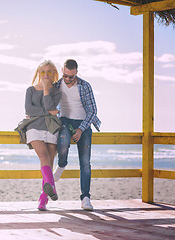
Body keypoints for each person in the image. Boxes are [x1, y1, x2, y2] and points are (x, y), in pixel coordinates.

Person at [53, 59, 101, 211]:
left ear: (77, 73)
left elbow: (93, 111)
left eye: (71, 77)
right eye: (65, 75)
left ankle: (85, 198)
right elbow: (49, 104)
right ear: (62, 71)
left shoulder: (85, 86)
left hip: (83, 123)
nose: (68, 79)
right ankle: (61, 166)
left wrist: (80, 129)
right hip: (65, 120)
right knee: (63, 140)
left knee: (85, 162)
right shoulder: (56, 86)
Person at [24, 60, 62, 211]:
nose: (46, 75)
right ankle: (51, 187)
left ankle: (43, 200)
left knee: (50, 162)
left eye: (49, 72)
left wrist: (46, 89)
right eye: (43, 72)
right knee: (44, 158)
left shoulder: (57, 92)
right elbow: (29, 110)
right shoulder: (30, 90)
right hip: (34, 128)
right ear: (38, 73)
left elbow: (49, 106)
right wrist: (49, 113)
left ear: (53, 74)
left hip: (51, 128)